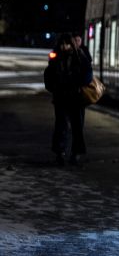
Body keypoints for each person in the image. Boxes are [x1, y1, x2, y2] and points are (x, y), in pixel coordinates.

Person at [43, 32, 94, 165]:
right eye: (62, 44)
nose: (63, 47)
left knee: (77, 127)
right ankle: (60, 153)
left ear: (71, 44)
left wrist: (79, 85)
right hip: (61, 97)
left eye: (66, 44)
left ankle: (75, 154)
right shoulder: (56, 57)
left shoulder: (80, 56)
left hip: (76, 98)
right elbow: (48, 74)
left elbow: (88, 74)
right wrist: (53, 87)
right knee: (61, 126)